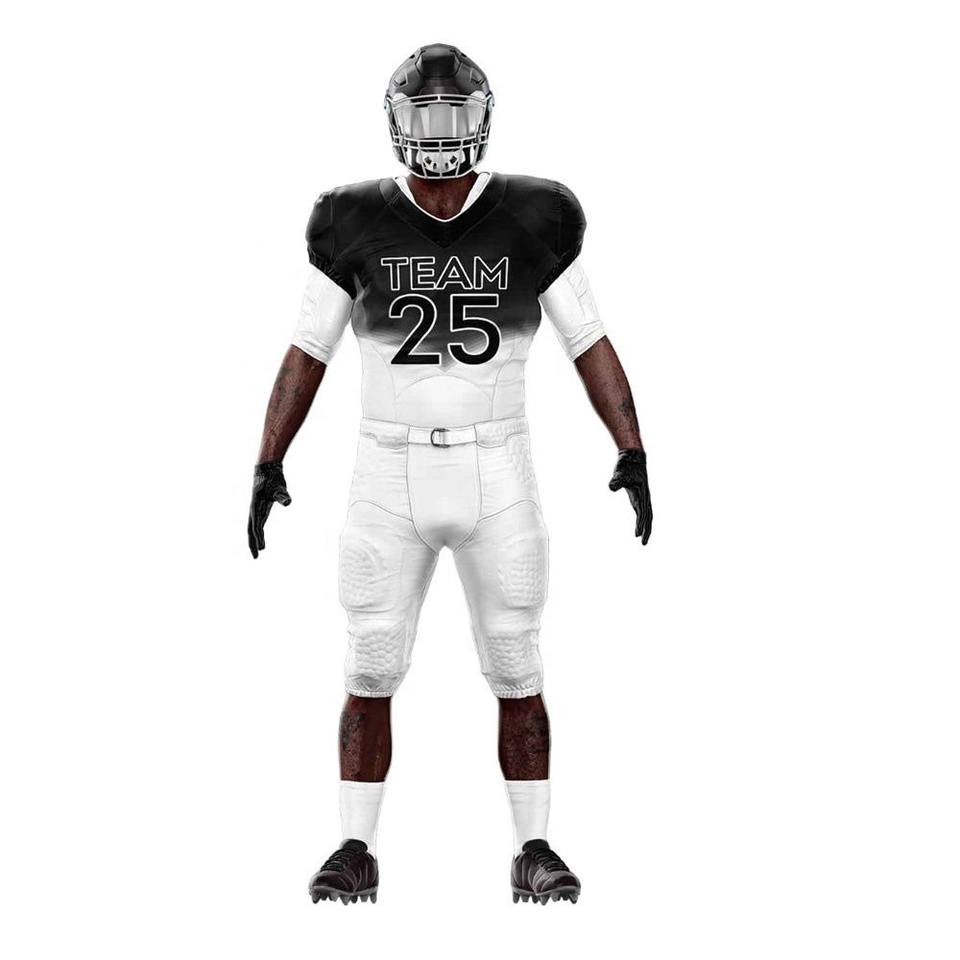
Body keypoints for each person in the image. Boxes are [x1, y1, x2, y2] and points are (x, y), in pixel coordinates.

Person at [248, 43, 652, 906]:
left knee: (516, 659)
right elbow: (308, 348)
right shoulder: (350, 218)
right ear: (398, 123)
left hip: (497, 461)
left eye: (453, 115)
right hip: (386, 464)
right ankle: (354, 848)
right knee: (370, 659)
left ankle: (534, 847)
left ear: (483, 119)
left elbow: (588, 338)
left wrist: (631, 444)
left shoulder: (534, 214)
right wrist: (268, 456)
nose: (439, 133)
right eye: (424, 116)